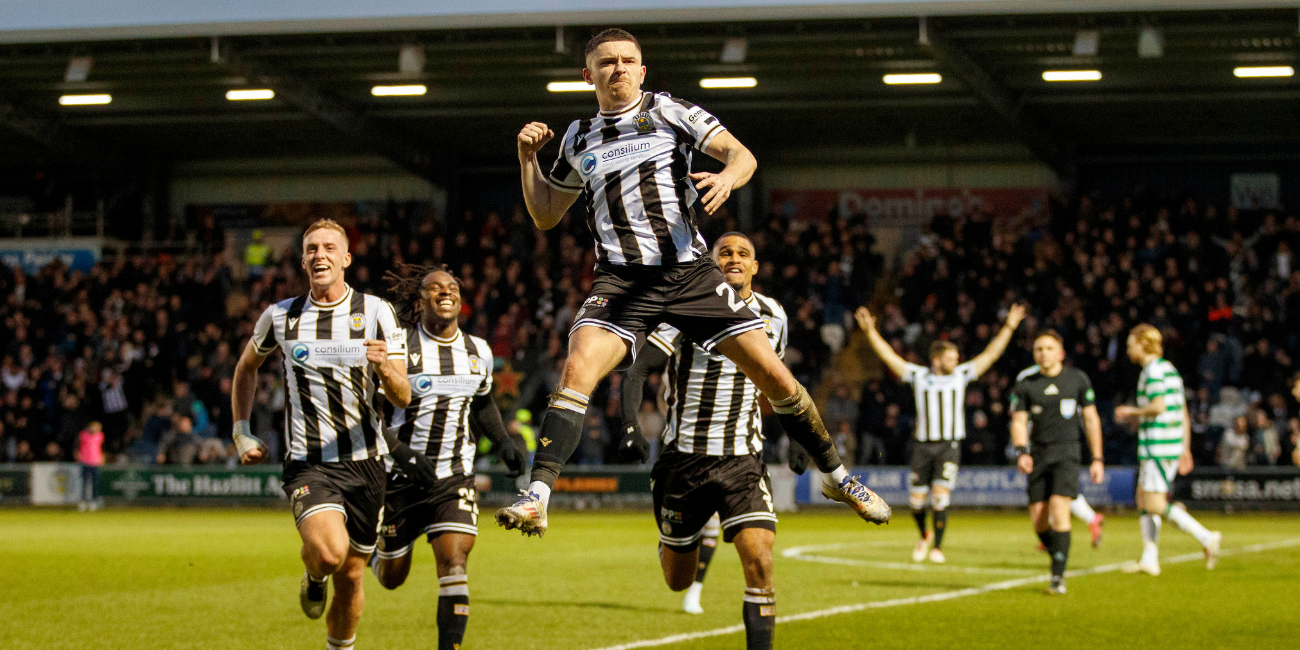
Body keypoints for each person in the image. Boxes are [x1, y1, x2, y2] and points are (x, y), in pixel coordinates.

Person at [499, 27, 887, 537]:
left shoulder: (670, 112)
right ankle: (538, 495)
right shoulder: (577, 137)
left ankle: (837, 477)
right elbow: (546, 213)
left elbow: (741, 155)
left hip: (688, 274)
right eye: (607, 61)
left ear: (641, 69)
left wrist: (727, 177)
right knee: (576, 369)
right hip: (619, 281)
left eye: (628, 60)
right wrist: (529, 160)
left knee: (774, 374)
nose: (618, 68)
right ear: (588, 74)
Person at [230, 218, 438, 650]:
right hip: (309, 463)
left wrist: (385, 367)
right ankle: (313, 569)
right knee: (329, 554)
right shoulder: (281, 316)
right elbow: (246, 368)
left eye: (328, 247)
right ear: (303, 260)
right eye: (311, 248)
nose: (319, 255)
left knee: (352, 574)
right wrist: (241, 431)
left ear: (346, 258)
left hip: (366, 463)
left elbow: (401, 396)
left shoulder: (377, 312)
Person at [618, 233, 785, 647]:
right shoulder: (684, 311)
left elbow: (777, 382)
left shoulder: (773, 315)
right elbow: (638, 372)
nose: (734, 258)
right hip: (685, 462)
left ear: (755, 267)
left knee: (760, 563)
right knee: (679, 580)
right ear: (711, 263)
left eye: (743, 253)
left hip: (743, 460)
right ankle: (672, 540)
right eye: (724, 252)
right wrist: (631, 424)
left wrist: (795, 434)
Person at [369, 265, 526, 650]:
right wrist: (399, 450)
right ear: (419, 299)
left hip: (453, 477)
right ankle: (377, 550)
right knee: (392, 577)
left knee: (454, 562)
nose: (445, 291)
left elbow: (484, 401)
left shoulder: (478, 351)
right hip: (399, 478)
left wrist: (504, 441)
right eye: (434, 287)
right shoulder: (399, 346)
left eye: (452, 286)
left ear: (460, 298)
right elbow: (366, 409)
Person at [855, 303, 1026, 563]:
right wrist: (870, 332)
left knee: (940, 499)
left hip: (949, 445)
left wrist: (1010, 326)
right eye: (951, 357)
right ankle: (925, 535)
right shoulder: (919, 375)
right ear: (937, 360)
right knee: (915, 502)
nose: (956, 360)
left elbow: (990, 355)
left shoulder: (961, 375)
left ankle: (937, 548)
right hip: (922, 446)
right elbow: (890, 357)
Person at [1114, 324, 1221, 576]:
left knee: (1154, 503)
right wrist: (1185, 447)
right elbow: (1181, 411)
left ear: (1143, 343)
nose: (1128, 349)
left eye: (1131, 344)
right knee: (1143, 499)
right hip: (1169, 444)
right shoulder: (1169, 370)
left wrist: (1131, 411)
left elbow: (1159, 406)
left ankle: (1206, 536)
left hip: (1158, 446)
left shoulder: (1152, 372)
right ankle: (1149, 559)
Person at [1009, 332, 1105, 595]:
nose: (1043, 352)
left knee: (1059, 509)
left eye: (1049, 348)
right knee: (1039, 520)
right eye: (1039, 348)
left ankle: (1057, 578)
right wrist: (1021, 451)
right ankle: (1059, 555)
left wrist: (1097, 458)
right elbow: (1018, 421)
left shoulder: (1077, 379)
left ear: (1060, 353)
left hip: (1067, 454)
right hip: (1038, 455)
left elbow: (1091, 419)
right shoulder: (1026, 383)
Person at [76, 421, 105, 511]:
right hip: (85, 462)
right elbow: (77, 446)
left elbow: (102, 448)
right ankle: (83, 502)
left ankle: (94, 501)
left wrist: (102, 458)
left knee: (95, 483)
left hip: (95, 462)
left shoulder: (100, 436)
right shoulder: (83, 435)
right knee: (85, 483)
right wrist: (78, 455)